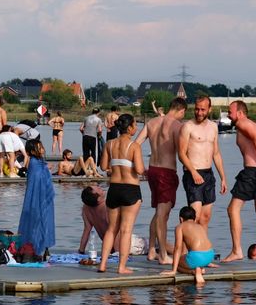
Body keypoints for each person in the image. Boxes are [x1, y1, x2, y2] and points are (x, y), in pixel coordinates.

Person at [225, 100, 256, 265]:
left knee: (233, 209)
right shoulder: (250, 124)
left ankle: (237, 250)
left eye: (230, 112)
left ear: (240, 113)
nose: (228, 115)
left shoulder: (243, 124)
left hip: (253, 172)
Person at [138, 97, 187, 264]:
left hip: (152, 170)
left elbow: (135, 144)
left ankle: (152, 250)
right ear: (181, 110)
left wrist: (140, 167)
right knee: (162, 213)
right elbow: (182, 153)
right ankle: (163, 255)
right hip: (166, 171)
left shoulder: (152, 122)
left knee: (158, 212)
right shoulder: (176, 126)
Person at [97, 114, 144, 275]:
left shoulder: (110, 144)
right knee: (126, 230)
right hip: (130, 189)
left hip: (114, 189)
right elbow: (139, 170)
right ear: (129, 128)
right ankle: (121, 267)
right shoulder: (134, 146)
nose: (136, 128)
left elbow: (103, 166)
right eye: (135, 125)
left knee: (111, 229)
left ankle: (102, 264)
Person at [178, 96, 227, 230]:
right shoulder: (188, 126)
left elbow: (216, 153)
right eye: (197, 109)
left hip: (208, 174)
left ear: (209, 109)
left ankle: (202, 249)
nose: (199, 113)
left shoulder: (213, 127)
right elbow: (181, 154)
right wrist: (193, 172)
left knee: (205, 217)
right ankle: (187, 249)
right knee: (195, 216)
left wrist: (223, 177)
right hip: (192, 173)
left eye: (203, 110)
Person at [17, 139, 55, 261]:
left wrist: (45, 168)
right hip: (36, 198)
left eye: (42, 146)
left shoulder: (40, 162)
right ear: (32, 151)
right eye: (39, 147)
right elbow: (35, 181)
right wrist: (46, 169)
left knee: (46, 222)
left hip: (44, 198)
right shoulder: (34, 162)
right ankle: (35, 249)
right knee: (35, 222)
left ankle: (43, 248)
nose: (42, 148)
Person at [160, 206, 216, 286]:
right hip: (209, 255)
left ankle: (194, 271)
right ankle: (201, 268)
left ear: (181, 219)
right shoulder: (200, 226)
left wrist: (173, 270)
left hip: (197, 257)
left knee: (177, 262)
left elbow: (177, 248)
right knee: (187, 257)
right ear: (195, 218)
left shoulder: (180, 227)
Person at [77, 184, 109, 255]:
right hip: (124, 245)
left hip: (108, 246)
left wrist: (81, 251)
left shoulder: (85, 208)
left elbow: (86, 230)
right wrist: (117, 252)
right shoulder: (107, 206)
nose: (100, 187)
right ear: (99, 199)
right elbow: (116, 231)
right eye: (98, 188)